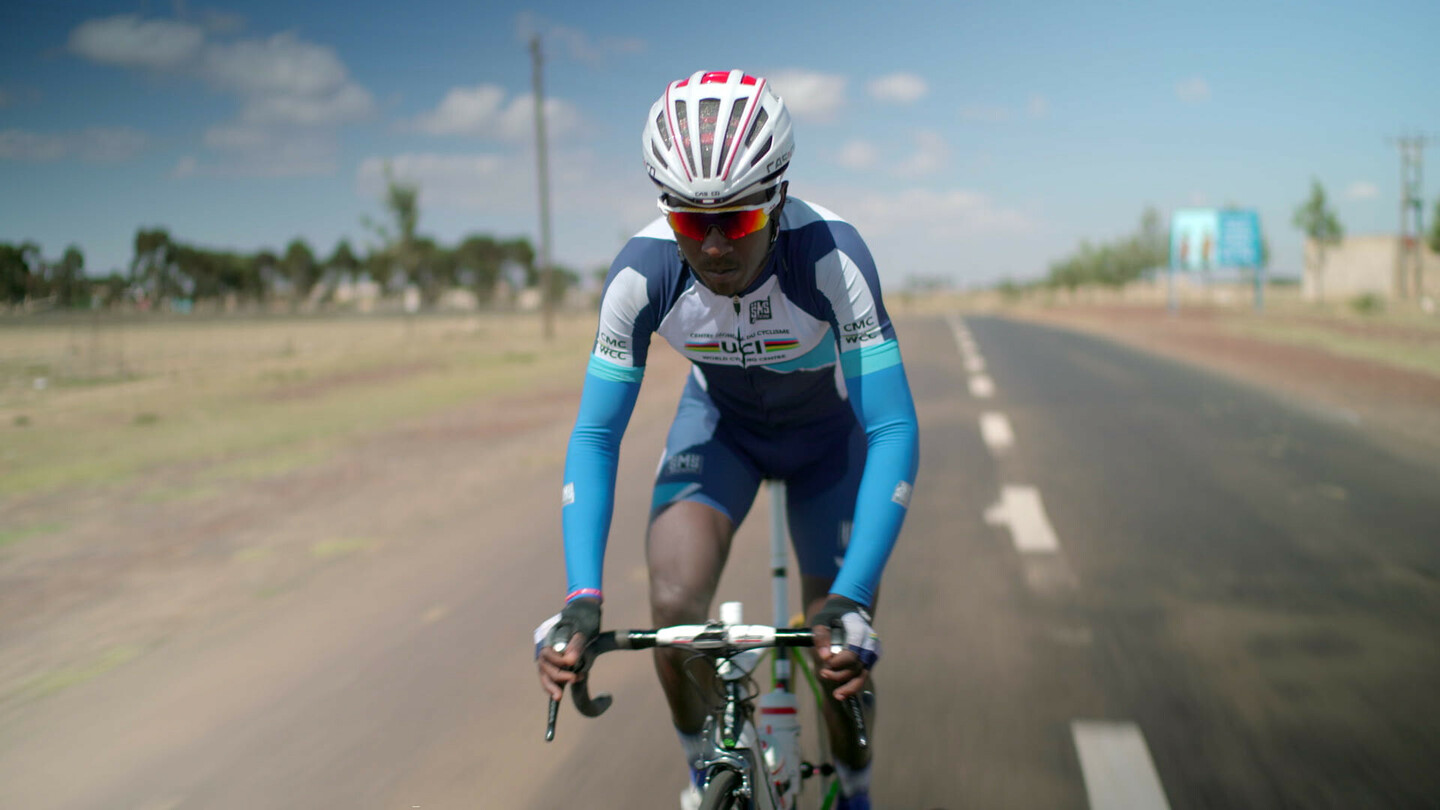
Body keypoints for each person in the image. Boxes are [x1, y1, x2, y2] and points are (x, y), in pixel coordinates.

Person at [534, 69, 919, 810]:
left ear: (776, 197)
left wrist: (857, 594)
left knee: (835, 649)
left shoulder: (830, 257)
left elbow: (894, 427)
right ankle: (704, 775)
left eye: (735, 222)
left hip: (825, 445)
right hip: (721, 434)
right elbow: (594, 435)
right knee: (675, 610)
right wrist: (581, 598)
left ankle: (858, 791)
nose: (711, 247)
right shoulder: (641, 274)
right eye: (688, 221)